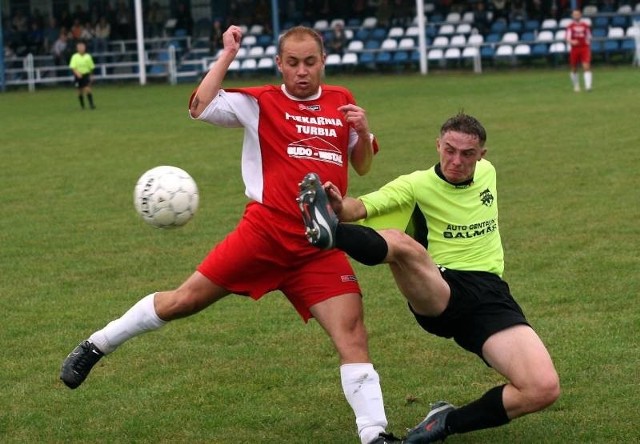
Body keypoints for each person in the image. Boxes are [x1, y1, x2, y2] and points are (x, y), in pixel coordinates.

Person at [60, 25, 400, 444]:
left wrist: (363, 131)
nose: (301, 72)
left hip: (320, 242)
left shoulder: (341, 101)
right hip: (264, 235)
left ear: (323, 61)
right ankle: (96, 344)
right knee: (182, 301)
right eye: (292, 63)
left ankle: (374, 434)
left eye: (310, 62)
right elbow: (199, 106)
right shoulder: (260, 102)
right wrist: (226, 56)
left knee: (352, 333)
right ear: (279, 64)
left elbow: (363, 165)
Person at [298, 112, 561, 443]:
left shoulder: (488, 174)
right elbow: (360, 208)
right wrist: (338, 207)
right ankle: (330, 233)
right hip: (439, 286)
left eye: (468, 154)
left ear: (482, 156)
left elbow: (544, 390)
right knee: (403, 245)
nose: (456, 161)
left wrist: (448, 424)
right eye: (449, 150)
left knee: (543, 388)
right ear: (437, 145)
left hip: (491, 296)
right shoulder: (415, 184)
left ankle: (444, 423)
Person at [566, 8, 592, 92]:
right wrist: (572, 41)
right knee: (574, 68)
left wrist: (587, 41)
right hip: (574, 49)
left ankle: (588, 87)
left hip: (584, 48)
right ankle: (576, 85)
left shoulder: (585, 25)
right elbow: (567, 38)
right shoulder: (570, 26)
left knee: (586, 66)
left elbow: (589, 36)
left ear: (580, 15)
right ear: (572, 16)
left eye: (578, 14)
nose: (576, 16)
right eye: (575, 14)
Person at [68, 41, 96, 110]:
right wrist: (77, 73)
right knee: (79, 91)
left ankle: (91, 104)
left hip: (86, 74)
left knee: (88, 89)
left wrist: (91, 75)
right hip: (78, 76)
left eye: (82, 47)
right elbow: (72, 67)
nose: (81, 49)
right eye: (79, 47)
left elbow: (91, 67)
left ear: (85, 48)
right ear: (77, 49)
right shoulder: (74, 56)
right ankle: (82, 106)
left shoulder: (88, 56)